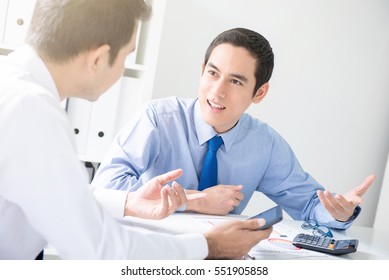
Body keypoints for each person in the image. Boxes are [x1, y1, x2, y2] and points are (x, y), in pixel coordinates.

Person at [0, 0, 272, 260]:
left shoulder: (13, 87)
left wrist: (129, 201)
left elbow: (55, 197)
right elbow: (102, 251)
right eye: (127, 55)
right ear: (99, 58)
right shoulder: (32, 111)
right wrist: (209, 245)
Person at [92, 27, 376, 230]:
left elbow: (309, 206)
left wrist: (338, 213)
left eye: (236, 81)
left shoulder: (264, 144)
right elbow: (105, 189)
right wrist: (195, 201)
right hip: (150, 250)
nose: (217, 91)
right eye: (213, 73)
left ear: (260, 93)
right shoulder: (157, 118)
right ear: (202, 69)